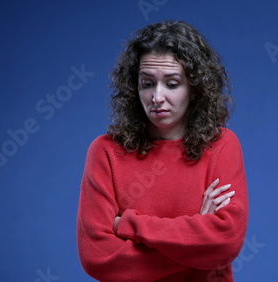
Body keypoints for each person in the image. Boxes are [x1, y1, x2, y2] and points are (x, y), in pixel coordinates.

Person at [77, 20, 249, 281]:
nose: (157, 97)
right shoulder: (106, 152)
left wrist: (127, 225)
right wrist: (196, 239)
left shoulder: (220, 145)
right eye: (147, 83)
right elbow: (97, 257)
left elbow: (224, 245)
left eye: (171, 84)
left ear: (195, 87)